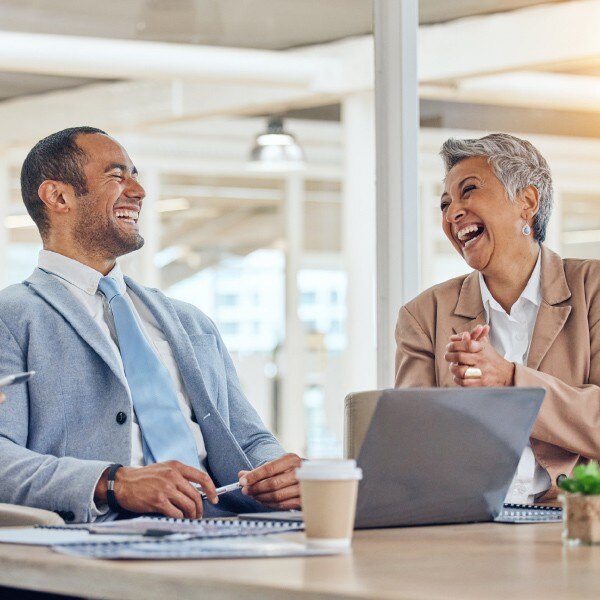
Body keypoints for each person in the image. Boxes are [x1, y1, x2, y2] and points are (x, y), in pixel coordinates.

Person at [0, 127, 301, 523]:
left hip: (224, 525)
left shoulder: (189, 321)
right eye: (116, 176)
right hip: (99, 536)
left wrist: (281, 472)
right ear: (58, 196)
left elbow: (249, 438)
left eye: (135, 175)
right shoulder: (12, 317)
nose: (138, 191)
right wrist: (112, 483)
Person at [395, 133, 600, 504]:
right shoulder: (424, 315)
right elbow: (410, 451)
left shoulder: (593, 290)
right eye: (445, 203)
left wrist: (508, 379)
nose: (452, 212)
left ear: (527, 202)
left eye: (468, 190)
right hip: (467, 525)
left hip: (577, 522)